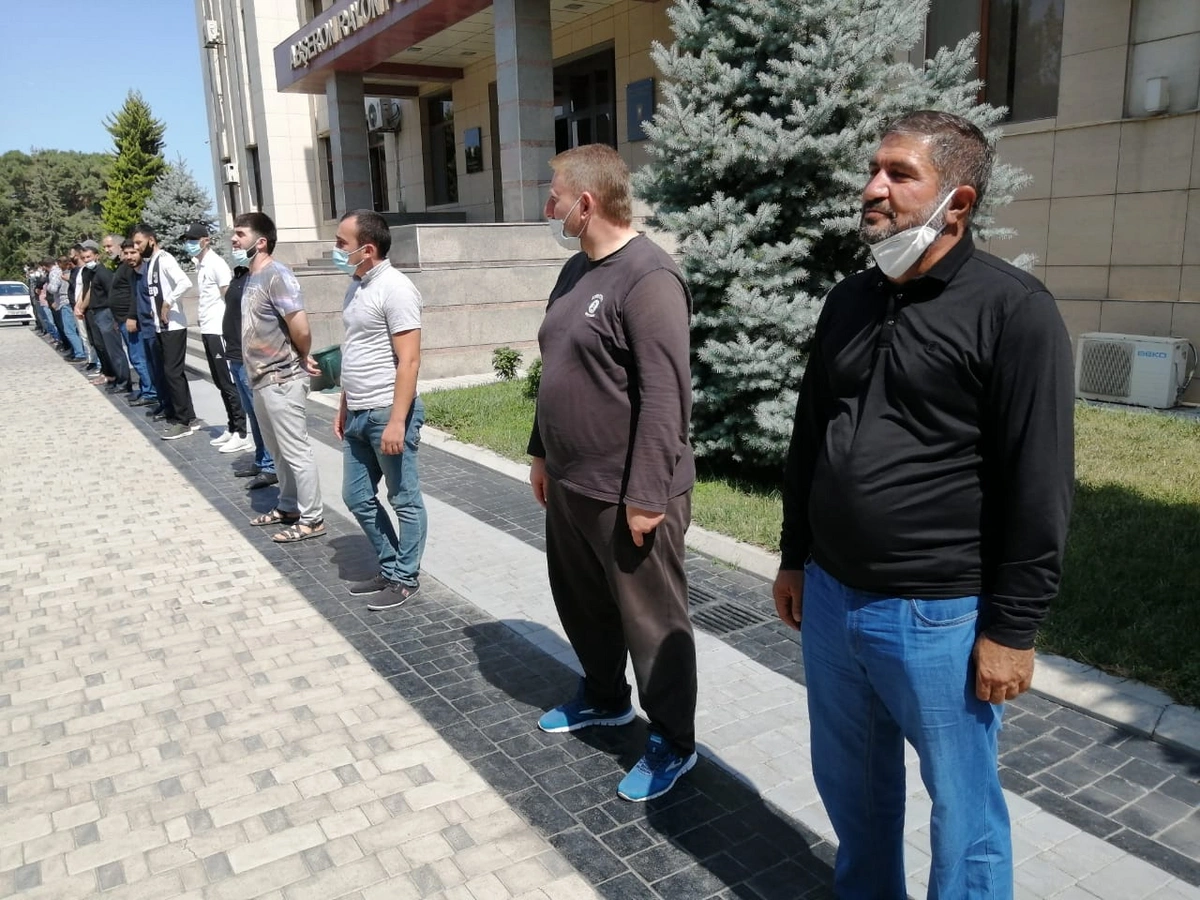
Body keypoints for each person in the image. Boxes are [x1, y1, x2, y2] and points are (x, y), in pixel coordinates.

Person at [772, 110, 1075, 899]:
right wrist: (795, 556)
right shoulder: (849, 300)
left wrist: (1013, 630)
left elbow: (1040, 482)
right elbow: (810, 436)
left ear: (958, 202)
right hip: (832, 598)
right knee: (853, 791)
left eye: (899, 174)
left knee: (964, 813)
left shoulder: (1015, 310)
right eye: (874, 170)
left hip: (937, 616)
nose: (873, 188)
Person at [528, 144, 698, 803]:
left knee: (651, 623)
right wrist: (541, 451)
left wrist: (647, 494)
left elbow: (665, 396)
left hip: (631, 494)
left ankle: (674, 742)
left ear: (586, 202)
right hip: (573, 485)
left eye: (554, 197)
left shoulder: (650, 278)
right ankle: (604, 697)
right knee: (583, 606)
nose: (548, 208)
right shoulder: (575, 270)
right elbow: (557, 365)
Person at [332, 209, 427, 610]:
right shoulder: (357, 286)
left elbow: (409, 360)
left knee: (404, 499)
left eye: (342, 244)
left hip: (387, 411)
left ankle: (405, 579)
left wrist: (398, 421)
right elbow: (354, 350)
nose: (336, 250)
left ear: (367, 249)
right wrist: (343, 404)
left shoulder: (397, 289)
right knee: (356, 496)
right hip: (358, 411)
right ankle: (390, 567)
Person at [233, 212, 325, 542]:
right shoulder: (252, 276)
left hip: (282, 377)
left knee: (296, 451)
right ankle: (288, 507)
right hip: (260, 379)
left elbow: (300, 325)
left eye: (240, 234)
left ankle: (313, 518)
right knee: (278, 452)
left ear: (260, 242)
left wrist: (302, 353)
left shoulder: (277, 275)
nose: (234, 240)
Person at [180, 223, 251, 452]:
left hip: (219, 329)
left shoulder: (216, 264)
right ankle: (231, 427)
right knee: (220, 382)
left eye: (193, 240)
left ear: (205, 240)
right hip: (208, 329)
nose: (190, 244)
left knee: (228, 383)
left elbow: (228, 297)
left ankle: (241, 432)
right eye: (187, 240)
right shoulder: (201, 265)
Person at [132, 224, 198, 440]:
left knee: (172, 372)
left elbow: (184, 282)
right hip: (160, 326)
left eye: (139, 243)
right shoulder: (151, 263)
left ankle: (183, 421)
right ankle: (188, 415)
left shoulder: (165, 259)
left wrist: (168, 302)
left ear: (151, 240)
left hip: (173, 326)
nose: (136, 247)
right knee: (170, 373)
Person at [220, 261, 277, 484]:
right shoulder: (239, 276)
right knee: (252, 413)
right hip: (235, 354)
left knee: (261, 414)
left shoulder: (258, 278)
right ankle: (262, 459)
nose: (234, 244)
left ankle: (271, 465)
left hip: (250, 357)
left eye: (238, 242)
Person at [77, 241, 132, 394]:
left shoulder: (103, 273)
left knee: (114, 349)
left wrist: (115, 317)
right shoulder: (87, 272)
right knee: (103, 347)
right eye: (84, 258)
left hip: (106, 312)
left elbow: (111, 294)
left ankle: (123, 381)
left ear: (96, 256)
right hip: (94, 312)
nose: (87, 260)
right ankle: (113, 377)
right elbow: (87, 291)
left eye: (89, 257)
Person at [111, 240, 155, 406]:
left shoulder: (137, 270)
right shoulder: (126, 268)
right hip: (122, 319)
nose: (129, 256)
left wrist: (131, 317)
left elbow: (135, 295)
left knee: (138, 357)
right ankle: (145, 388)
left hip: (132, 320)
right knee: (135, 356)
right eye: (126, 253)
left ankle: (150, 392)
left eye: (133, 252)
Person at [51, 256, 86, 362]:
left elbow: (54, 288)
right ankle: (77, 351)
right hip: (68, 302)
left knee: (69, 330)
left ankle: (80, 353)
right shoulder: (71, 273)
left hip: (67, 302)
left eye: (59, 264)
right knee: (74, 329)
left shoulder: (67, 274)